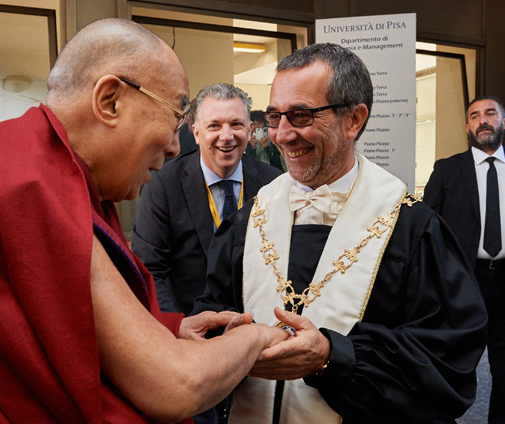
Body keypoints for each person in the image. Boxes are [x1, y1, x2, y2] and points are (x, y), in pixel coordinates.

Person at [0, 18, 289, 423]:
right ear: (110, 101)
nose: (174, 147)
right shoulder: (22, 182)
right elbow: (176, 385)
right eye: (174, 117)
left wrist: (170, 329)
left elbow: (69, 328)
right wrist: (257, 336)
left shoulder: (55, 176)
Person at [192, 43, 488, 424]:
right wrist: (223, 337)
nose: (281, 135)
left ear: (354, 120)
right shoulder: (250, 219)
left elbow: (447, 362)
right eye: (273, 116)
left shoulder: (411, 227)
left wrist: (333, 357)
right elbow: (213, 308)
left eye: (300, 115)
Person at [423, 96, 505, 424]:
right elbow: (426, 229)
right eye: (475, 116)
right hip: (463, 283)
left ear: (504, 123)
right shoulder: (447, 169)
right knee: (452, 365)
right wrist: (434, 281)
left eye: (490, 114)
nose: (483, 120)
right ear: (467, 126)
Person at [132, 84, 281, 316]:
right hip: (189, 330)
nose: (227, 136)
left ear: (250, 130)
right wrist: (177, 330)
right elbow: (150, 269)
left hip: (258, 329)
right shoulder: (162, 186)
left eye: (236, 124)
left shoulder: (274, 184)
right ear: (197, 133)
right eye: (214, 126)